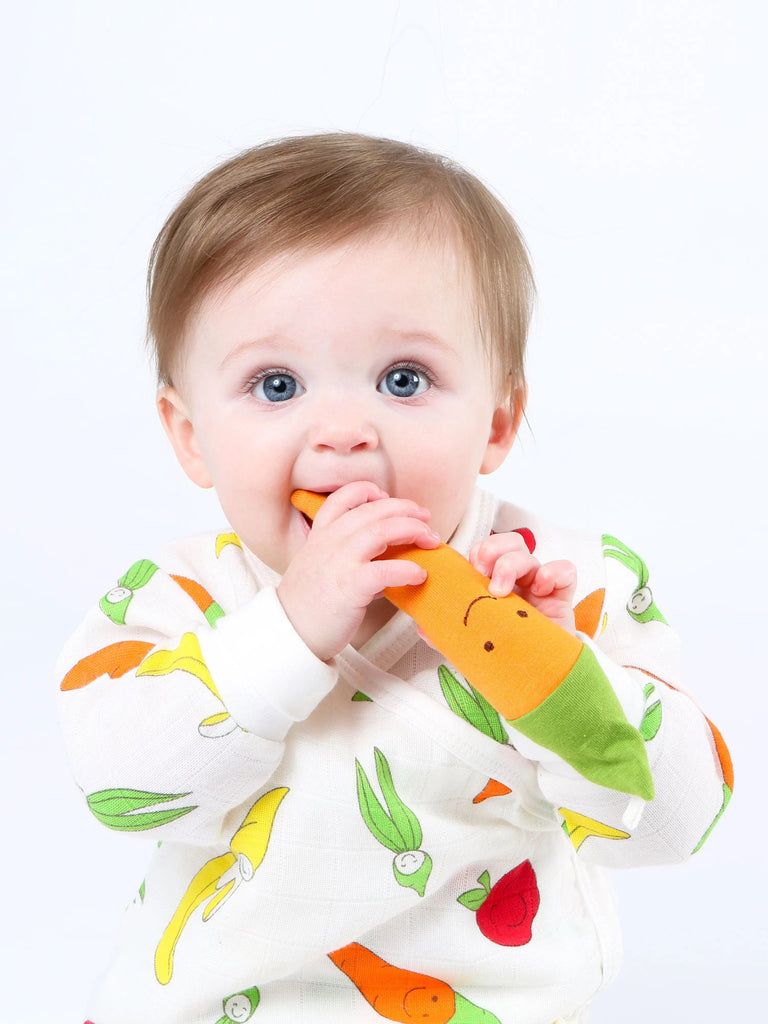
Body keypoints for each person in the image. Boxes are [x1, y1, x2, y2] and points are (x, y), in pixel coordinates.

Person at [57, 133, 731, 1024]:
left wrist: (554, 676)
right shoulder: (180, 596)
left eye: (403, 379)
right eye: (275, 384)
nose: (342, 431)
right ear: (190, 437)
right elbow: (121, 789)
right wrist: (288, 633)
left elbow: (680, 821)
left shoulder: (570, 584)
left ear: (496, 422)